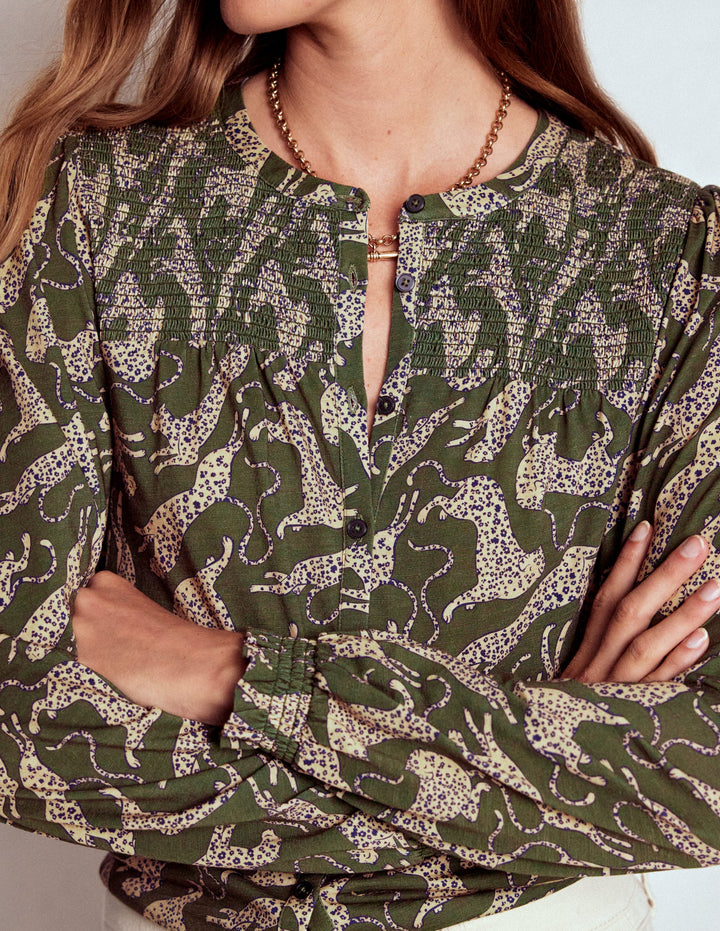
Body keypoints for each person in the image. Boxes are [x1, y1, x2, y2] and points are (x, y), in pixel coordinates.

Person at [1, 0, 719, 928]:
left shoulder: (667, 254)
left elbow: (703, 771)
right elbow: (19, 724)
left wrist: (236, 678)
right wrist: (544, 766)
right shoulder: (90, 206)